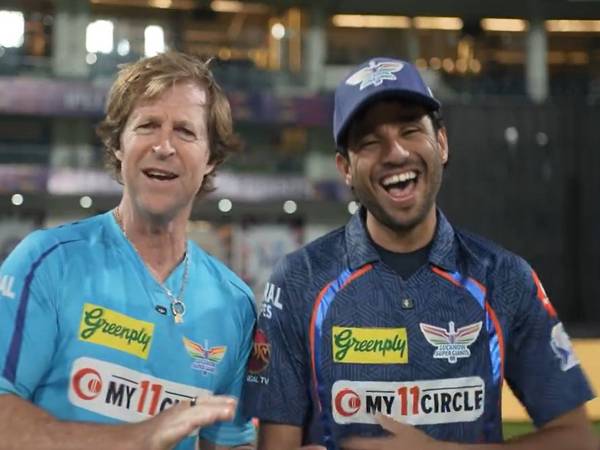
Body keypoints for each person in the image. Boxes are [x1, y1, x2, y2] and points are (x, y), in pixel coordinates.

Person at [243, 57, 596, 450]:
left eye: (410, 129)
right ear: (345, 168)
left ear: (441, 143)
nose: (395, 153)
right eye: (370, 141)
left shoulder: (504, 277)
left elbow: (577, 438)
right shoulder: (299, 279)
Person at [0, 52, 256, 450]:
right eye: (147, 125)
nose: (164, 146)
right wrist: (138, 436)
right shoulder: (46, 262)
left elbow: (228, 442)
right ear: (118, 145)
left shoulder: (235, 305)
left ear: (211, 159)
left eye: (185, 132)